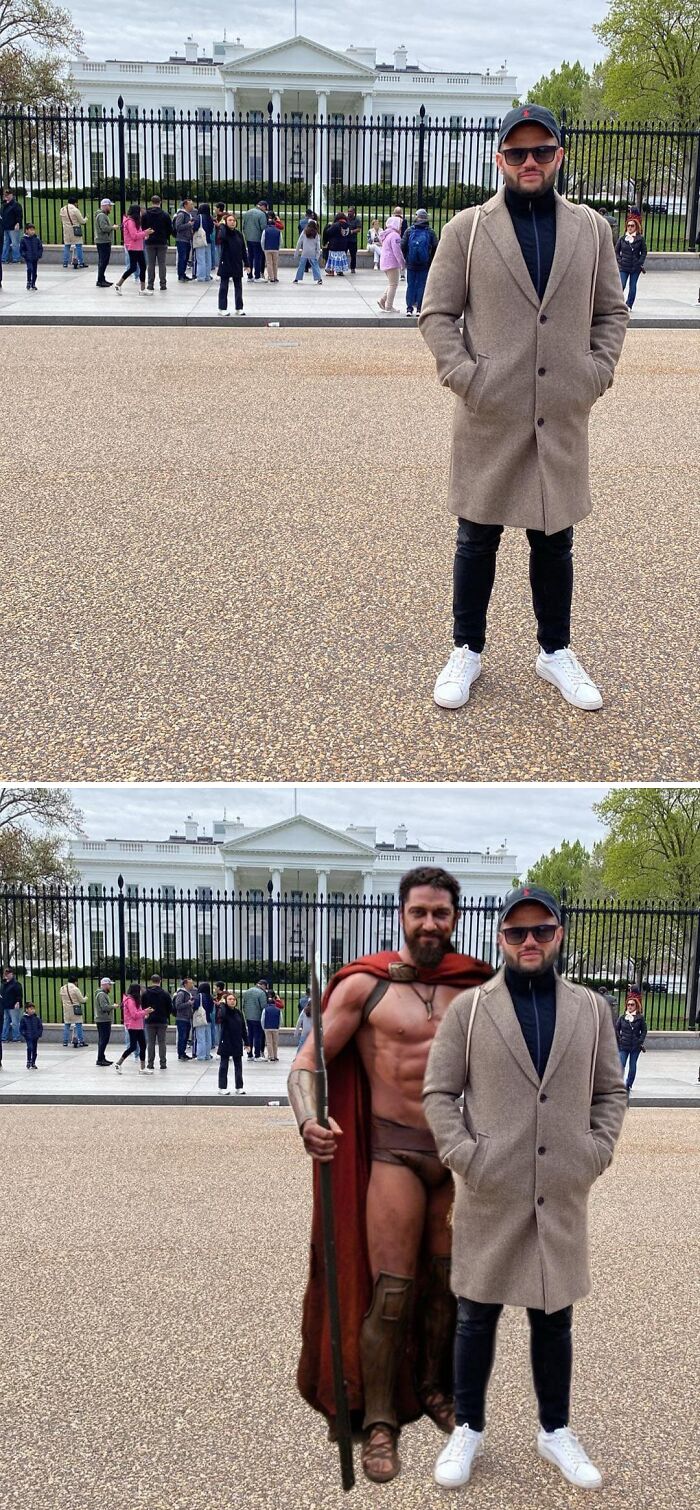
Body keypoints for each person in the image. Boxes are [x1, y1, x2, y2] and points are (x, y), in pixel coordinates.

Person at [420, 104, 629, 714]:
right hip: (491, 408)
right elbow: (437, 313)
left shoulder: (591, 229)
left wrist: (596, 371)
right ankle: (467, 647)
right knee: (476, 537)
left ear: (559, 156)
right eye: (517, 153)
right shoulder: (469, 228)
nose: (529, 162)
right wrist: (465, 377)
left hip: (561, 407)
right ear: (500, 159)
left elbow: (611, 311)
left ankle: (554, 650)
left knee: (554, 539)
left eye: (541, 151)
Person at [288, 865, 492, 1483]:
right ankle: (378, 1420)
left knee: (449, 1287)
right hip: (394, 1157)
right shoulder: (365, 988)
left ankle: (435, 1389)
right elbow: (306, 1064)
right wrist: (306, 1122)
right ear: (401, 916)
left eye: (442, 913)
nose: (430, 923)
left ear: (457, 918)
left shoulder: (479, 989)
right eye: (419, 912)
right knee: (392, 1290)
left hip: (457, 1159)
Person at [423, 884, 626, 1492]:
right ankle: (470, 1427)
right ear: (501, 938)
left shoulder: (591, 1010)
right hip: (492, 1187)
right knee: (475, 1316)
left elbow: (610, 1091)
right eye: (517, 932)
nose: (529, 941)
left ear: (559, 935)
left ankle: (554, 1429)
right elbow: (439, 1093)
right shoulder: (472, 1010)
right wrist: (465, 1157)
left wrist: (595, 1151)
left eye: (541, 930)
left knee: (553, 1317)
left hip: (560, 1188)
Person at [401, 209, 437, 315]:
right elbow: (436, 245)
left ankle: (409, 308)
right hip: (424, 263)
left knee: (410, 285)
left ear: (417, 217)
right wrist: (430, 258)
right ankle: (419, 309)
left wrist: (407, 257)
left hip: (411, 263)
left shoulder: (409, 230)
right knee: (422, 285)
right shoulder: (430, 231)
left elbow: (402, 245)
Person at [615, 986, 648, 1100]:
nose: (630, 1006)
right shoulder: (622, 1017)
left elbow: (644, 1030)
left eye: (632, 1005)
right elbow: (616, 1029)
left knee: (632, 1066)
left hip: (635, 1046)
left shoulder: (640, 1018)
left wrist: (640, 1041)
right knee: (621, 1064)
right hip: (624, 1045)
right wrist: (619, 1039)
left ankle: (628, 1084)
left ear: (636, 1006)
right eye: (628, 1004)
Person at [114, 205, 152, 296]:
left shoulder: (133, 221)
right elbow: (134, 236)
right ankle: (118, 284)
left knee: (142, 267)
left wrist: (144, 234)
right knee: (133, 267)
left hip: (137, 247)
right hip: (133, 247)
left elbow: (137, 233)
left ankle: (143, 289)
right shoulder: (130, 222)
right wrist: (145, 233)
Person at [216, 212, 248, 315]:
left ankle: (239, 307)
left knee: (238, 286)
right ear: (225, 222)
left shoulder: (238, 234)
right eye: (230, 220)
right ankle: (222, 308)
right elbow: (222, 237)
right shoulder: (223, 231)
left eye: (234, 220)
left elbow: (243, 249)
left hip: (237, 263)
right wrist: (222, 225)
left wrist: (247, 263)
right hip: (226, 262)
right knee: (224, 286)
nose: (232, 222)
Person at [217, 991, 248, 1095]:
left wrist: (247, 1042)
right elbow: (222, 1017)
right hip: (226, 1041)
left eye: (234, 999)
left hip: (236, 1042)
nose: (232, 1001)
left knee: (238, 1065)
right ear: (226, 1001)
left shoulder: (238, 1012)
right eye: (230, 999)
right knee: (224, 1065)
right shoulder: (223, 1010)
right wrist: (222, 1004)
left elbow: (243, 1028)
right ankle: (222, 1087)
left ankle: (239, 1086)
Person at [141, 195, 174, 291]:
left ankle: (150, 284)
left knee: (150, 264)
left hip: (150, 241)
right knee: (162, 263)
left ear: (151, 202)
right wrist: (165, 236)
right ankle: (163, 284)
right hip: (162, 241)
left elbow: (143, 227)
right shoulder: (165, 214)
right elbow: (170, 229)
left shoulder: (146, 214)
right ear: (160, 202)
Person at [615, 213, 647, 309]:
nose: (630, 227)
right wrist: (619, 260)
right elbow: (616, 251)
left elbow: (644, 251)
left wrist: (640, 262)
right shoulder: (622, 238)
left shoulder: (640, 239)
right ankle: (618, 304)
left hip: (635, 267)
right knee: (622, 285)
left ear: (636, 227)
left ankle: (629, 304)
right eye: (628, 226)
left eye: (632, 226)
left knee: (632, 287)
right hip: (624, 266)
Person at [141, 974, 173, 1072]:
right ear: (160, 981)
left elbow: (143, 1006)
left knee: (150, 1043)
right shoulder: (165, 994)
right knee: (162, 1042)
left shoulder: (146, 993)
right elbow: (170, 1008)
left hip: (150, 1020)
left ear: (151, 981)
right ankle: (163, 1063)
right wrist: (166, 1015)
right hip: (162, 1020)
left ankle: (150, 1064)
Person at [115, 982, 147, 1073]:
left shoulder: (135, 1000)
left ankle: (143, 1067)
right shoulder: (130, 1001)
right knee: (133, 1046)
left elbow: (138, 1012)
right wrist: (145, 1012)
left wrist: (144, 1013)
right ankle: (119, 1063)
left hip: (138, 1026)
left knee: (143, 1045)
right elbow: (134, 1015)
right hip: (133, 1026)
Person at [377, 214, 405, 311]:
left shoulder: (387, 234)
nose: (401, 227)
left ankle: (382, 300)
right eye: (400, 225)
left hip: (385, 262)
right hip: (392, 263)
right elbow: (397, 251)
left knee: (391, 283)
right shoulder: (395, 236)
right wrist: (402, 263)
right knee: (394, 285)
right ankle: (389, 306)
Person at [242, 200, 268, 281]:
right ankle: (257, 276)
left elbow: (244, 226)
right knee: (258, 257)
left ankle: (249, 276)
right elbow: (263, 227)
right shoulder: (262, 214)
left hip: (248, 238)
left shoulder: (247, 212)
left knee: (250, 257)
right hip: (258, 239)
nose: (266, 210)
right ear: (263, 206)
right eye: (266, 208)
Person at [60, 198, 87, 269]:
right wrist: (86, 219)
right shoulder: (75, 210)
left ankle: (65, 263)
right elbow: (82, 221)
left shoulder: (62, 209)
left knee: (67, 245)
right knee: (78, 245)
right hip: (75, 229)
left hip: (66, 230)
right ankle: (80, 262)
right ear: (75, 203)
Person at [242, 980, 267, 1059]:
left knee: (250, 1036)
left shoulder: (247, 992)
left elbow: (243, 1004)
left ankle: (249, 1054)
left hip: (248, 1017)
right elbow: (263, 1006)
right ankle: (257, 1055)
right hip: (257, 1017)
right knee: (258, 1036)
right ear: (263, 985)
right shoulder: (261, 993)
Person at [94, 198, 116, 287]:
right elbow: (104, 228)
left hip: (102, 241)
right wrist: (112, 227)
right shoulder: (102, 216)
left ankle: (102, 279)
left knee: (103, 261)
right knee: (103, 261)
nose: (111, 208)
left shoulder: (101, 215)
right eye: (110, 206)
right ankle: (100, 280)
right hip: (103, 241)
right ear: (105, 206)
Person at [60, 975, 87, 1047]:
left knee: (67, 1024)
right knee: (78, 1024)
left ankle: (65, 1041)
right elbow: (82, 1000)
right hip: (75, 1009)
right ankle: (81, 1041)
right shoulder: (75, 989)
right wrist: (86, 998)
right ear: (75, 982)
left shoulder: (62, 988)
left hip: (66, 1009)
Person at [293, 220, 322, 284]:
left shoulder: (304, 232)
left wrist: (296, 253)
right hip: (312, 253)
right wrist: (317, 255)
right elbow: (318, 246)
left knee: (301, 266)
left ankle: (297, 279)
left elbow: (299, 242)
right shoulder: (316, 234)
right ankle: (319, 279)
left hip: (305, 252)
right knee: (315, 266)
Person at [173, 976, 195, 1059]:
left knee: (185, 1037)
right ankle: (181, 1053)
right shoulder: (181, 993)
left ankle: (183, 1052)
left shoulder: (188, 993)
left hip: (187, 1018)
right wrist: (189, 1003)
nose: (192, 985)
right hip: (182, 1018)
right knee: (182, 1037)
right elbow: (178, 1005)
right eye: (190, 983)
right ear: (185, 984)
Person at [174, 198, 195, 281]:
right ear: (185, 205)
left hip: (187, 239)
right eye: (191, 204)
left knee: (185, 258)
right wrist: (189, 224)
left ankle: (183, 273)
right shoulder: (181, 214)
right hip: (182, 239)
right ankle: (181, 275)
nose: (192, 206)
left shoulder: (188, 214)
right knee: (182, 258)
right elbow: (178, 227)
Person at [94, 977, 114, 1066]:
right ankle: (100, 1059)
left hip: (103, 1020)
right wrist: (113, 1006)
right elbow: (104, 1007)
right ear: (105, 985)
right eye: (109, 985)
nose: (110, 987)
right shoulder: (101, 994)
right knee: (103, 1040)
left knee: (103, 1040)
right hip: (103, 1020)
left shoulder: (102, 994)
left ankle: (102, 1057)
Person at [322, 212, 350, 276]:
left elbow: (328, 232)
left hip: (334, 245)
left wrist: (328, 226)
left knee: (333, 259)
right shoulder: (347, 225)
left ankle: (332, 272)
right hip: (343, 245)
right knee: (340, 259)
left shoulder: (336, 225)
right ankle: (340, 271)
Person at [193, 202, 215, 281]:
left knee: (200, 258)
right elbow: (211, 229)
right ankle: (207, 276)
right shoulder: (210, 218)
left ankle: (201, 276)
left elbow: (195, 227)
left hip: (200, 239)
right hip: (208, 240)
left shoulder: (199, 217)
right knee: (208, 259)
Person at [1, 966, 24, 1042]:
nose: (6, 975)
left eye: (8, 973)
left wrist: (17, 1002)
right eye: (5, 973)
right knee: (6, 1022)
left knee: (15, 1022)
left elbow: (19, 995)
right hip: (5, 1005)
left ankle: (16, 1037)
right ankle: (4, 1037)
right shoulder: (4, 983)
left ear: (12, 974)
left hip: (13, 1006)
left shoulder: (16, 984)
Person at [1, 189, 23, 262]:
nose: (6, 196)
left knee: (15, 243)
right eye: (5, 195)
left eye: (8, 195)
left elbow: (19, 215)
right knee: (5, 243)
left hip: (13, 227)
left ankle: (16, 259)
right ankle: (4, 258)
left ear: (11, 195)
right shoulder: (3, 204)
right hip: (5, 227)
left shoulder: (16, 205)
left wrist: (18, 223)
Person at [19, 1001, 42, 1069]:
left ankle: (33, 1062)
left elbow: (40, 1027)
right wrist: (24, 1033)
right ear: (27, 1010)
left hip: (35, 1036)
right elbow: (21, 1028)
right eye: (30, 1009)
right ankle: (29, 1060)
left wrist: (39, 1034)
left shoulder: (36, 1018)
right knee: (30, 1048)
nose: (32, 1010)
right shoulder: (24, 1019)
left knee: (34, 1050)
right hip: (28, 1036)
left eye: (33, 1009)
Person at [19, 224, 42, 290]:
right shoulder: (23, 240)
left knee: (34, 272)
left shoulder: (36, 239)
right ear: (26, 231)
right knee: (30, 269)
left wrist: (39, 254)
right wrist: (24, 255)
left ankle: (33, 283)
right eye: (31, 230)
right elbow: (22, 249)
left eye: (33, 230)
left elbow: (40, 247)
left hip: (35, 258)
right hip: (28, 258)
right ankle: (29, 281)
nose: (32, 231)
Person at [262, 989, 282, 1061]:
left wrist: (263, 1026)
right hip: (275, 1027)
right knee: (275, 1042)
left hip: (267, 1027)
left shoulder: (265, 1009)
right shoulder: (278, 1009)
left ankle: (271, 1056)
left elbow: (262, 1019)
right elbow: (280, 1019)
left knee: (269, 1042)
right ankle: (275, 1055)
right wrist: (279, 1026)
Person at [262, 212, 282, 282]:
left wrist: (263, 248)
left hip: (267, 248)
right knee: (275, 263)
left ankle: (271, 277)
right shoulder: (278, 231)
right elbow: (280, 240)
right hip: (275, 249)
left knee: (269, 263)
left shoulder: (265, 230)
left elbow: (263, 240)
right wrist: (278, 248)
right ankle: (275, 277)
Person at [346, 206, 362, 273]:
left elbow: (359, 229)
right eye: (348, 211)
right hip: (346, 240)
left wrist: (352, 231)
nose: (349, 213)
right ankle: (341, 268)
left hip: (353, 240)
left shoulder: (357, 220)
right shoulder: (346, 219)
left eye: (351, 211)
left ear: (354, 212)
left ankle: (353, 268)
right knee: (343, 254)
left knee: (353, 255)